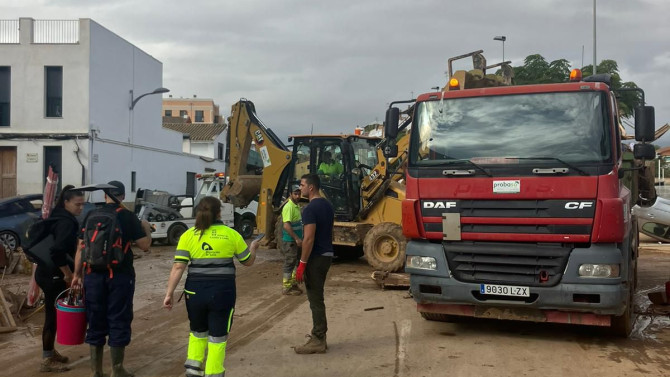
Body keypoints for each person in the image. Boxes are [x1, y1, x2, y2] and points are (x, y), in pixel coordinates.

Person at [163, 196, 258, 377]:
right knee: (218, 335)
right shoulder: (231, 234)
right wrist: (253, 247)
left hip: (194, 292)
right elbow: (248, 262)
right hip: (222, 292)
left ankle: (193, 368)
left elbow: (178, 267)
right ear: (219, 212)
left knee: (197, 330)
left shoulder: (188, 235)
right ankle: (213, 372)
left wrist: (169, 293)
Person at [71, 180, 152, 377]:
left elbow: (81, 247)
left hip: (92, 277)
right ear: (123, 196)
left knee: (95, 319)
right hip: (119, 277)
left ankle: (96, 371)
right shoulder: (127, 216)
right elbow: (145, 246)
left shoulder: (91, 215)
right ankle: (117, 369)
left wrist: (76, 275)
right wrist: (146, 227)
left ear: (104, 195)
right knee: (118, 318)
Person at [34, 185, 85, 373]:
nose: (80, 208)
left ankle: (50, 352)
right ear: (66, 202)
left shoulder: (59, 216)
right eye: (77, 204)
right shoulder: (66, 222)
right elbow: (56, 251)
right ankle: (47, 360)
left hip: (45, 271)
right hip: (53, 274)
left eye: (82, 205)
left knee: (53, 314)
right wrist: (68, 274)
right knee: (52, 316)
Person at [293, 174, 334, 354]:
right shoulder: (327, 205)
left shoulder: (309, 209)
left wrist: (302, 264)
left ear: (311, 188)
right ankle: (319, 336)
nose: (299, 188)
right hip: (327, 255)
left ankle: (318, 338)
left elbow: (308, 238)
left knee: (315, 299)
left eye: (302, 185)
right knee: (318, 297)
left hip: (315, 257)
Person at [281, 185, 303, 296]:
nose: (298, 196)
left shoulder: (296, 206)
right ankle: (286, 287)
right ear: (290, 194)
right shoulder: (288, 207)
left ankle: (293, 284)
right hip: (290, 241)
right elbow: (286, 225)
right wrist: (296, 238)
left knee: (295, 262)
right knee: (289, 263)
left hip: (296, 241)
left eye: (299, 193)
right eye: (295, 194)